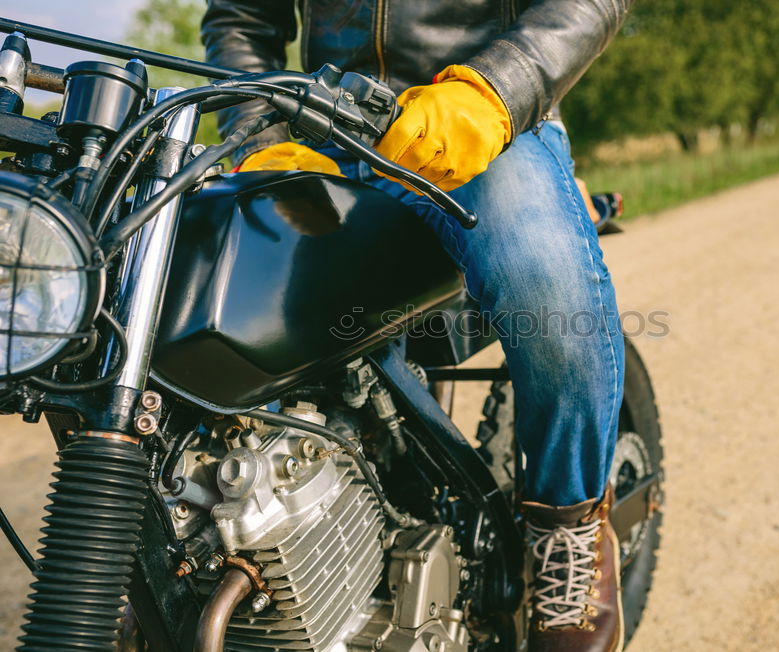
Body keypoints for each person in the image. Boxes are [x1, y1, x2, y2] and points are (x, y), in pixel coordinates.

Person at [202, 2, 633, 649]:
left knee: (544, 284)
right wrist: (259, 135)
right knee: (198, 276)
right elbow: (240, 16)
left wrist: (496, 89)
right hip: (328, 126)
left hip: (485, 120)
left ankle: (568, 530)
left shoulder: (489, 103)